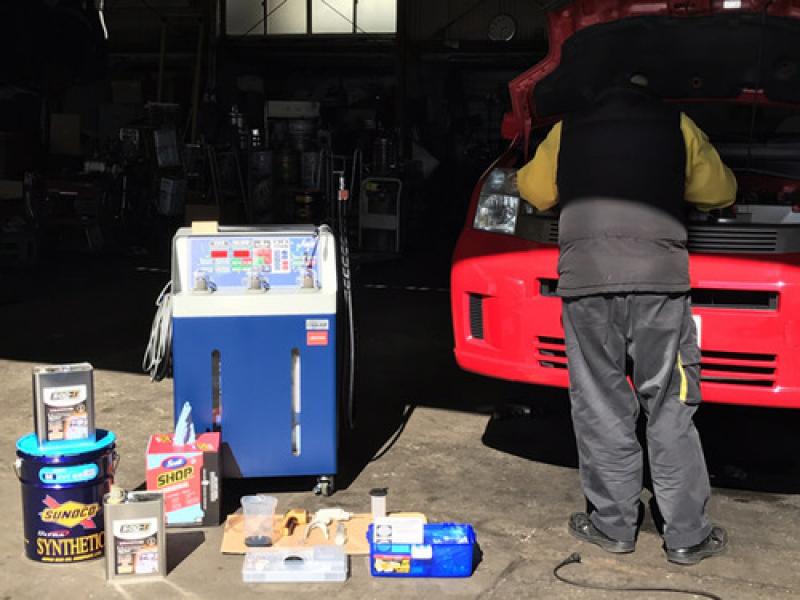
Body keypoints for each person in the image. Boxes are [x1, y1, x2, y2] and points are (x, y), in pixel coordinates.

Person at [516, 75, 736, 565]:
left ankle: (612, 525)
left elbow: (533, 189)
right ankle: (686, 535)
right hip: (659, 284)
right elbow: (718, 191)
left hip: (587, 282)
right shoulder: (677, 124)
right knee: (671, 402)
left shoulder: (568, 129)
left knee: (600, 402)